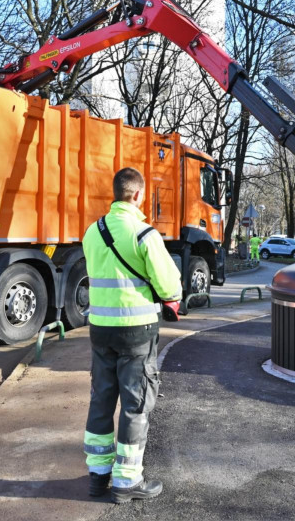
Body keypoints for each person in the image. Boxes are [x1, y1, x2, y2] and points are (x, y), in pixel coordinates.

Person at [82, 167, 183, 503]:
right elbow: (169, 286)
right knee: (135, 404)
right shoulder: (145, 235)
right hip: (137, 331)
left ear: (115, 193)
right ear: (138, 195)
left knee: (101, 398)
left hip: (100, 329)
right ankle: (126, 480)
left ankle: (98, 475)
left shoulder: (92, 233)